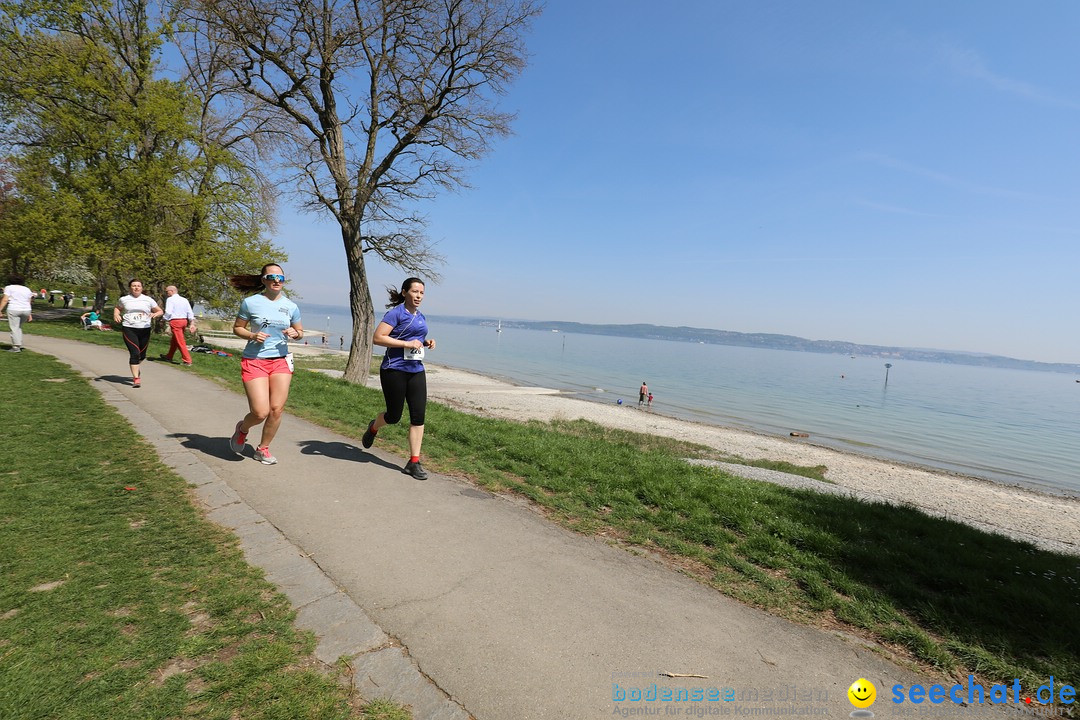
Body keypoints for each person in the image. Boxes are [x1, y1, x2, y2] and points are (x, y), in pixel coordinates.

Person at [227, 263, 303, 465]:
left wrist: (296, 334)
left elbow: (299, 331)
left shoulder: (291, 306)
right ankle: (242, 429)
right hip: (255, 360)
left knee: (276, 409)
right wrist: (252, 334)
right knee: (260, 412)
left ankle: (263, 449)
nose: (276, 281)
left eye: (281, 278)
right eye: (272, 277)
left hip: (280, 361)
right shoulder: (250, 303)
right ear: (263, 280)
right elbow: (237, 328)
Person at [361, 277, 436, 480]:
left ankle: (414, 462)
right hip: (394, 369)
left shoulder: (421, 316)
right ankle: (374, 427)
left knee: (418, 417)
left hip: (415, 369)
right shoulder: (395, 313)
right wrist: (406, 344)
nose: (419, 296)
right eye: (414, 292)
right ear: (404, 293)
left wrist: (425, 342)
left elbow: (415, 339)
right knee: (394, 417)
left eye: (421, 293)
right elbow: (378, 338)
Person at [113, 278, 163, 388]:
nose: (136, 287)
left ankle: (135, 367)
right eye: (134, 286)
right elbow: (118, 308)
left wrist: (156, 314)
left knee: (142, 355)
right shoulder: (124, 299)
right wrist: (116, 314)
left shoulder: (148, 300)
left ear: (142, 288)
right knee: (135, 353)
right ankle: (136, 378)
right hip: (129, 328)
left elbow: (160, 310)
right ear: (130, 287)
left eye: (138, 286)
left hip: (144, 328)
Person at [161, 285, 197, 366]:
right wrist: (192, 323)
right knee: (175, 340)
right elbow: (190, 312)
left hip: (175, 321)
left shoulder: (170, 300)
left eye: (167, 291)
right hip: (184, 321)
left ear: (172, 291)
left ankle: (187, 360)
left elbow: (168, 312)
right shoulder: (184, 300)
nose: (167, 293)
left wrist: (163, 319)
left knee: (180, 341)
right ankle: (169, 356)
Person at [0, 275, 35, 352]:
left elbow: (5, 299)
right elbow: (28, 301)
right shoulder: (27, 289)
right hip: (26, 309)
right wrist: (30, 314)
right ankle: (18, 344)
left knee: (14, 328)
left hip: (14, 309)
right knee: (18, 327)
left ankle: (16, 347)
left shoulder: (9, 287)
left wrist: (0, 310)